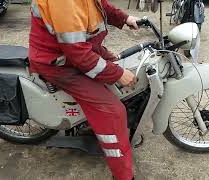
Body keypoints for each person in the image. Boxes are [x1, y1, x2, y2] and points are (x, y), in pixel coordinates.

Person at [28, 0, 139, 179]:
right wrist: (117, 74)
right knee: (112, 111)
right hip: (60, 63)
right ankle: (123, 175)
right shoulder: (63, 3)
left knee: (124, 64)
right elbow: (78, 54)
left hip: (82, 50)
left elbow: (99, 4)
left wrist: (125, 18)